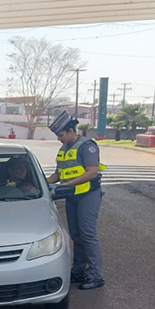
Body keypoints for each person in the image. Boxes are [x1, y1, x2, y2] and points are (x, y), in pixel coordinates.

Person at [46, 111, 105, 289]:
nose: (60, 139)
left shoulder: (87, 146)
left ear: (71, 130)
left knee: (87, 234)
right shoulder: (63, 150)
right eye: (58, 136)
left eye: (61, 135)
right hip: (71, 196)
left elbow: (92, 172)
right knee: (76, 235)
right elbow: (58, 175)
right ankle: (79, 270)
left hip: (88, 195)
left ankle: (95, 275)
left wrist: (67, 184)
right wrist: (40, 181)